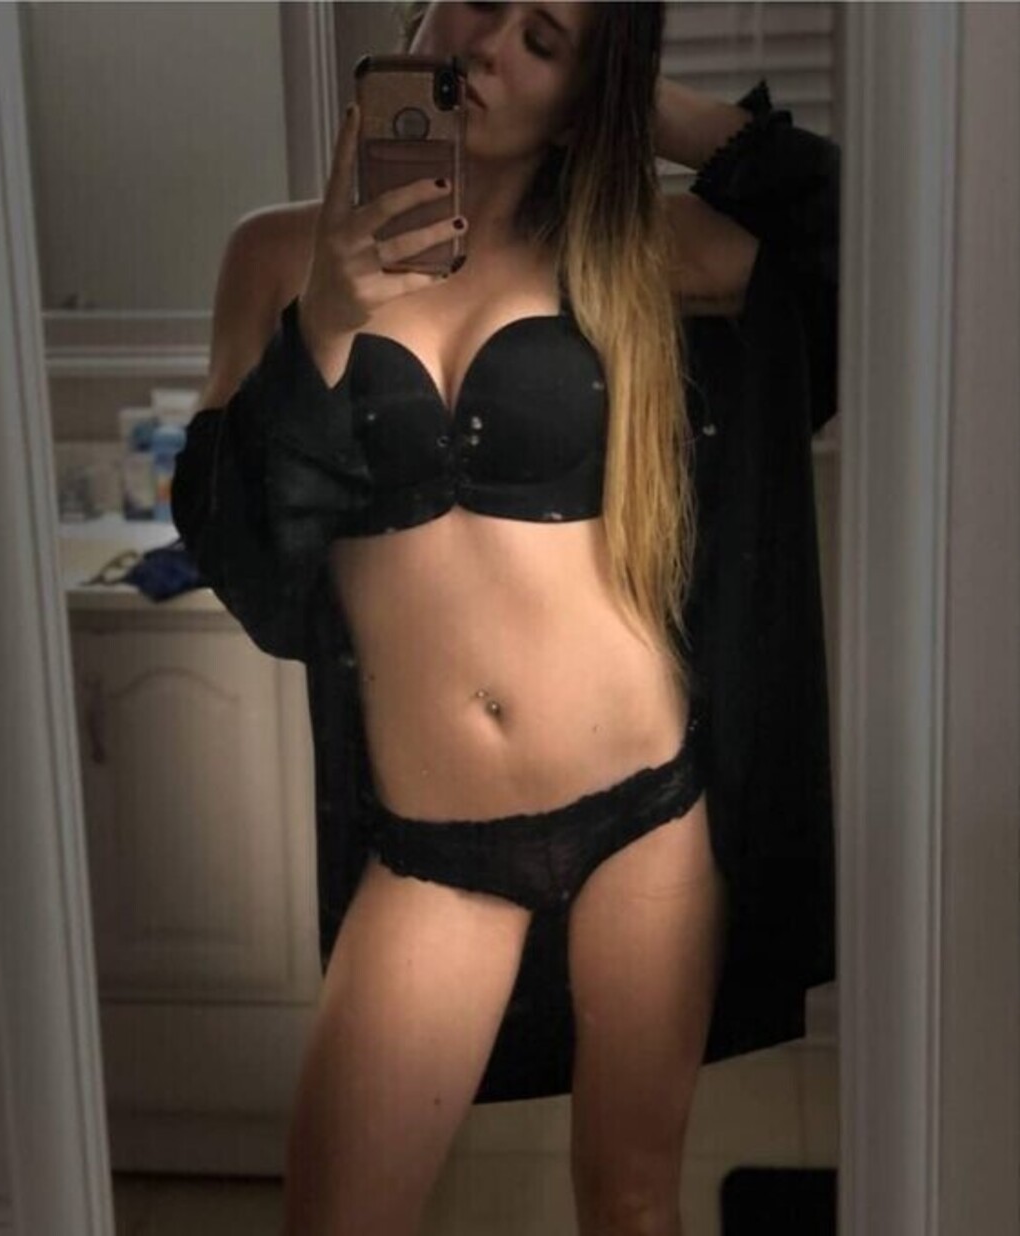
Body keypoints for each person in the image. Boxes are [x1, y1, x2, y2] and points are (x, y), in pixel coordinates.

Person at [171, 3, 841, 1233]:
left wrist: (635, 104)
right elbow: (242, 554)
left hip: (646, 809)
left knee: (630, 1204)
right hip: (435, 842)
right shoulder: (274, 257)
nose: (487, 50)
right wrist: (327, 320)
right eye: (483, 2)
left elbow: (853, 225)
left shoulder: (638, 251)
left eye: (544, 41)